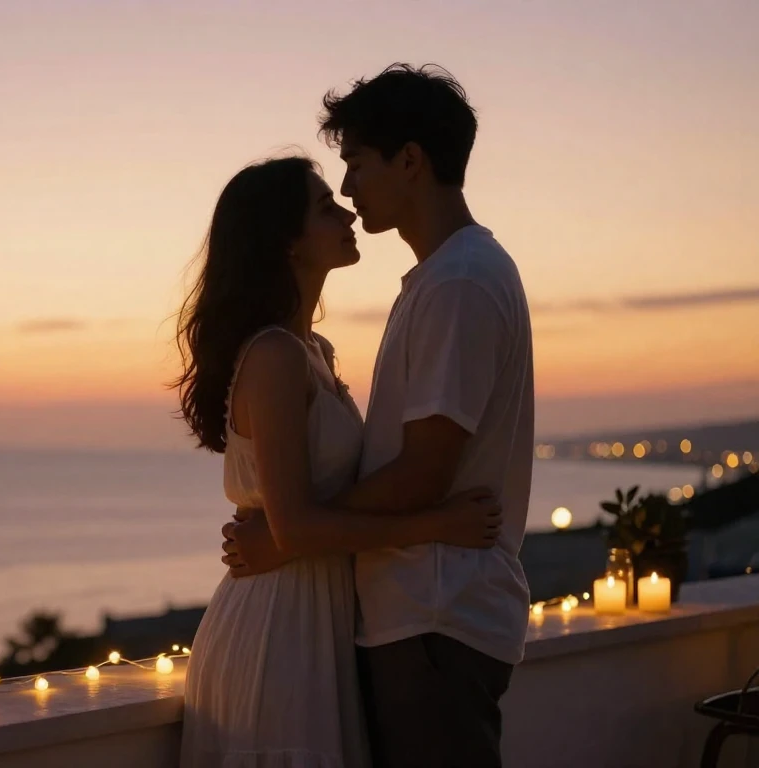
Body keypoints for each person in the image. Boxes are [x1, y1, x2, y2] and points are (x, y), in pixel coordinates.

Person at [222, 64, 535, 768]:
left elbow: (424, 471)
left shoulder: (457, 284)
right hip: (416, 617)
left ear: (411, 161)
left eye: (357, 164)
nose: (349, 188)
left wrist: (287, 534)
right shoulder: (445, 279)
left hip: (434, 615)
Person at [174, 151, 501, 768]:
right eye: (325, 206)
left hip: (318, 614)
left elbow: (298, 522)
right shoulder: (275, 355)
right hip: (277, 624)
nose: (347, 209)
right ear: (287, 241)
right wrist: (438, 524)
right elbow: (295, 525)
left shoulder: (312, 349)